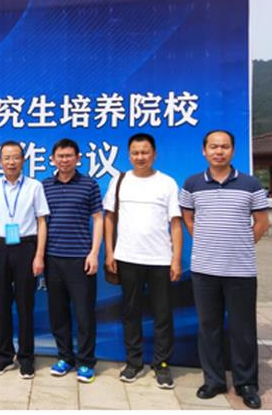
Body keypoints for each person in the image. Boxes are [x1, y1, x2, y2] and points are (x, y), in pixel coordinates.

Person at [179, 130, 269, 410]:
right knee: (209, 327)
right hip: (204, 270)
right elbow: (188, 219)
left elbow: (262, 223)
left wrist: (240, 245)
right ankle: (214, 380)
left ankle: (246, 383)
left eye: (225, 147)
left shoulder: (250, 184)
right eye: (213, 147)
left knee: (243, 328)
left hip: (241, 270)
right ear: (204, 150)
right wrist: (207, 243)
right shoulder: (192, 184)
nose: (219, 151)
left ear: (233, 150)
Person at [104, 133, 182, 389]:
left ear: (154, 154)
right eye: (135, 153)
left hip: (160, 259)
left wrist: (176, 259)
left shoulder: (167, 183)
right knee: (131, 312)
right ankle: (134, 362)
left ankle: (162, 364)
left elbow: (175, 223)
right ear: (129, 155)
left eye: (145, 152)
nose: (140, 157)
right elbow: (109, 218)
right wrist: (109, 252)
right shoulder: (120, 181)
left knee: (162, 314)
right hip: (127, 257)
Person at [0, 140, 50, 379]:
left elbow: (42, 221)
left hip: (26, 247)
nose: (11, 162)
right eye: (7, 158)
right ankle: (5, 356)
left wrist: (39, 255)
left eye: (16, 157)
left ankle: (26, 358)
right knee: (2, 305)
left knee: (25, 305)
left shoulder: (34, 186)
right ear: (0, 161)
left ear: (23, 160)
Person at [41, 138, 103, 383]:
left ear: (78, 158)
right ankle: (65, 358)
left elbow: (98, 218)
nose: (64, 160)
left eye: (69, 156)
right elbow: (40, 222)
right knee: (58, 312)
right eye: (60, 156)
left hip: (81, 258)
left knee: (84, 313)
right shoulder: (45, 185)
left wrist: (94, 253)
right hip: (53, 258)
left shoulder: (89, 184)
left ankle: (86, 362)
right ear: (53, 159)